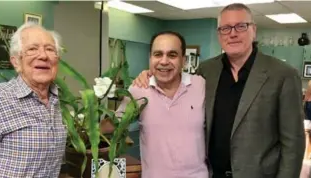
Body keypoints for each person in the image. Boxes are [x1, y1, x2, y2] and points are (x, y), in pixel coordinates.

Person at [132, 3, 305, 178]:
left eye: (241, 26)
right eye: (225, 28)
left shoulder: (283, 75)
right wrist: (149, 74)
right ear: (219, 35)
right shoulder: (206, 72)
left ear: (254, 30)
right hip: (212, 174)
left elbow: (293, 144)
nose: (233, 33)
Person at [0, 23, 67, 177]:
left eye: (50, 49)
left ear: (57, 60)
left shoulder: (55, 101)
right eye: (32, 49)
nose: (43, 55)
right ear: (16, 62)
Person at [117, 31, 208, 178]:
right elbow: (115, 126)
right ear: (150, 58)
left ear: (183, 60)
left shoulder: (200, 85)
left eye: (172, 55)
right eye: (158, 54)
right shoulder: (138, 90)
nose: (164, 61)